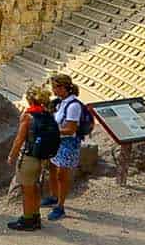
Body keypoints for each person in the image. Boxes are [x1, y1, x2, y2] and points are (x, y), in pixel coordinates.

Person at [7, 83, 60, 232]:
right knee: (35, 187)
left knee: (27, 190)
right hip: (42, 157)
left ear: (30, 100)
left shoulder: (28, 116)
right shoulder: (47, 114)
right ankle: (35, 216)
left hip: (29, 157)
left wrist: (12, 155)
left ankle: (27, 219)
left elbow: (19, 139)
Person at [44, 74, 86, 222]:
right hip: (58, 142)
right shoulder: (61, 103)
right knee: (53, 169)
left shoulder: (73, 106)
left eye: (55, 88)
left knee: (62, 175)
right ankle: (53, 196)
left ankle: (60, 206)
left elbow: (70, 130)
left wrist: (50, 131)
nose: (54, 91)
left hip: (68, 144)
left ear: (63, 87)